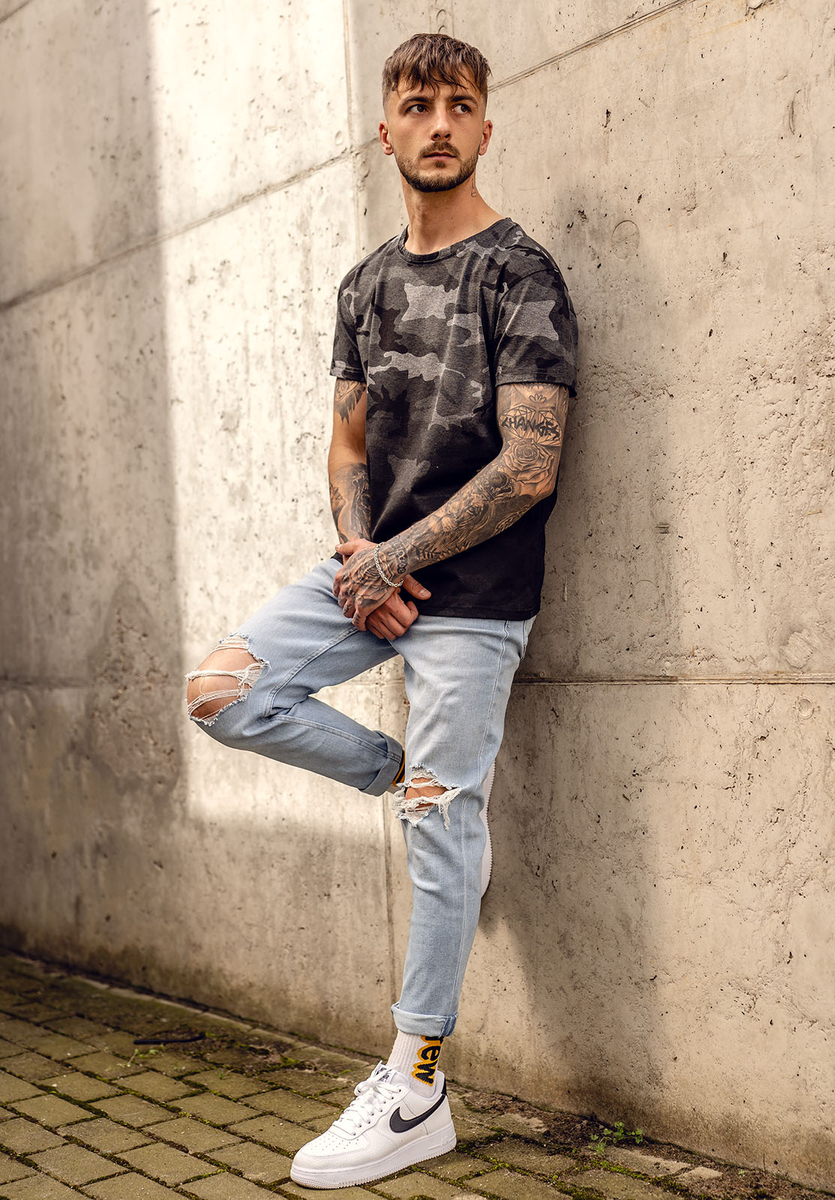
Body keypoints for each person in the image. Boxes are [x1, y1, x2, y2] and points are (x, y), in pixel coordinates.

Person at [185, 31, 577, 1190]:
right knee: (221, 691)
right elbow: (348, 442)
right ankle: (414, 788)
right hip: (375, 567)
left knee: (442, 815)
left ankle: (417, 1086)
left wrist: (395, 558)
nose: (438, 123)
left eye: (458, 104)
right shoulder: (364, 284)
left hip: (477, 592)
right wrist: (363, 556)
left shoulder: (520, 273)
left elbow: (531, 465)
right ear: (386, 127)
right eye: (417, 103)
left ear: (485, 126)